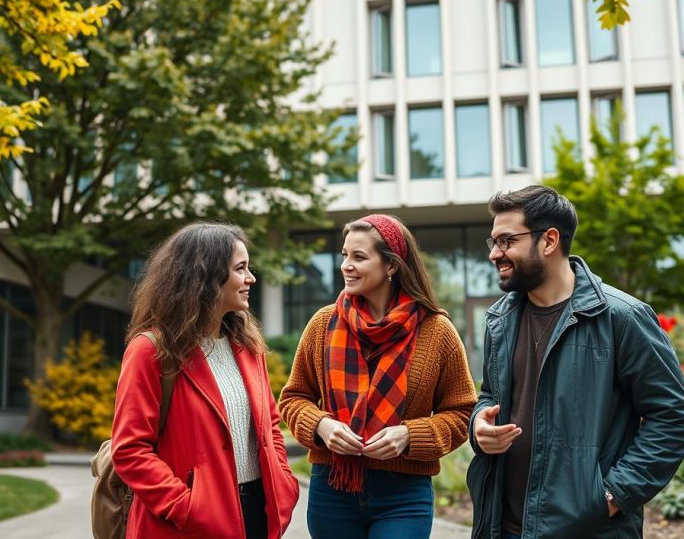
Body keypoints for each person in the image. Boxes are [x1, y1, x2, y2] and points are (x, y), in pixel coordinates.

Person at [467, 185, 684, 539]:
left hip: (588, 529)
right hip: (503, 527)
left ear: (549, 241)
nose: (495, 254)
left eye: (507, 240)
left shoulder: (622, 317)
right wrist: (479, 427)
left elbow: (674, 418)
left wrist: (610, 497)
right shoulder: (500, 319)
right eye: (493, 242)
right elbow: (490, 396)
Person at [279, 214, 478, 539]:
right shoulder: (322, 324)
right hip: (332, 489)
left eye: (359, 257)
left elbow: (461, 413)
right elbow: (293, 398)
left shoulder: (436, 331)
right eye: (345, 255)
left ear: (391, 266)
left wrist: (409, 435)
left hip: (404, 494)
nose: (346, 265)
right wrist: (321, 425)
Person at [111, 222, 299, 539]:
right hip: (185, 525)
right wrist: (187, 508)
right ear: (206, 277)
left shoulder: (248, 347)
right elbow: (130, 450)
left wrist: (284, 484)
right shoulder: (150, 351)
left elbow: (271, 425)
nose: (251, 278)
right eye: (241, 268)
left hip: (256, 513)